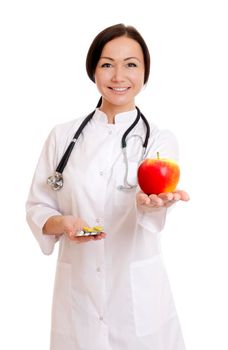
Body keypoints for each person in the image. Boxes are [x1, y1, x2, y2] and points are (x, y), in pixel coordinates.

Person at [26, 23, 189, 350]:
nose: (119, 76)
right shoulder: (62, 137)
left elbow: (151, 204)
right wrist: (63, 223)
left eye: (131, 64)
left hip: (137, 299)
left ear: (144, 73)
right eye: (106, 64)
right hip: (79, 295)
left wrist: (150, 203)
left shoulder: (157, 140)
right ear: (93, 71)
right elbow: (38, 205)